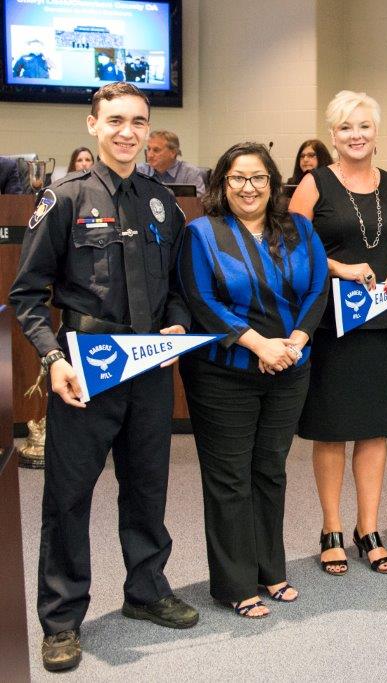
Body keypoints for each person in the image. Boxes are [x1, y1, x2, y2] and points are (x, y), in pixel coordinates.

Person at [9, 82, 198, 673]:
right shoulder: (63, 199)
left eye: (138, 121)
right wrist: (52, 358)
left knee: (147, 487)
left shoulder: (164, 203)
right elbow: (27, 295)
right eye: (115, 120)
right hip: (86, 368)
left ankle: (145, 591)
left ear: (148, 130)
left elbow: (177, 291)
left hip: (148, 370)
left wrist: (176, 326)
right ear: (93, 125)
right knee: (68, 498)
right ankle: (62, 619)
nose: (127, 131)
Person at [177, 141, 328, 618]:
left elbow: (318, 286)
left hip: (290, 368)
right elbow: (202, 300)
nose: (249, 187)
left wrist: (296, 341)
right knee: (229, 479)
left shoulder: (299, 229)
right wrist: (258, 345)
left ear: (272, 183)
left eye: (258, 177)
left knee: (270, 470)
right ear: (223, 183)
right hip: (225, 374)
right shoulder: (202, 233)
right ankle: (234, 583)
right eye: (238, 178)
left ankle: (271, 569)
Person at [290, 91, 387, 576]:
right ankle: (332, 528)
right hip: (332, 324)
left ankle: (370, 527)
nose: (356, 135)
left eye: (363, 125)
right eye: (345, 127)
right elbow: (292, 251)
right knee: (332, 429)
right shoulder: (313, 183)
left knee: (374, 428)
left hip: (382, 321)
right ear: (333, 135)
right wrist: (337, 266)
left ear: (376, 131)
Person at [137, 130, 207, 194]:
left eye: (156, 150)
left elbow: (198, 203)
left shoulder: (189, 173)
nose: (150, 155)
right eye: (149, 149)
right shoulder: (139, 171)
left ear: (173, 153)